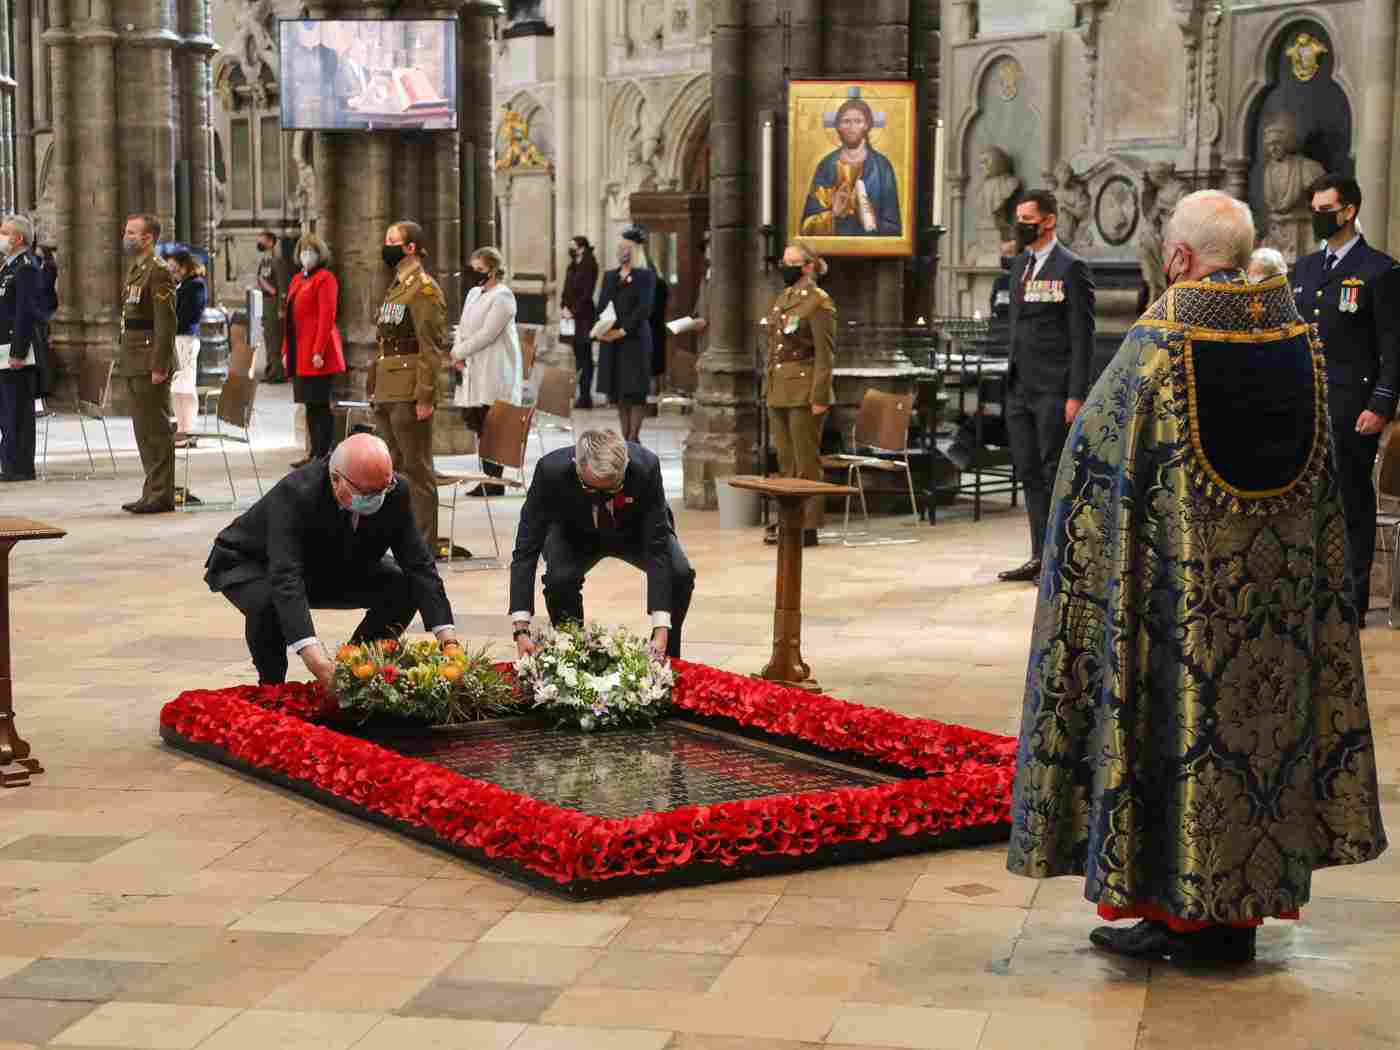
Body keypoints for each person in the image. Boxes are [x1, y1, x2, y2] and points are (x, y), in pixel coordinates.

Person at [1008, 189, 1388, 965]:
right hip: (1277, 607)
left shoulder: (1159, 342)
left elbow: (1093, 459)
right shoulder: (1297, 337)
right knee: (1258, 750)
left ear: (1178, 258)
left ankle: (1179, 914)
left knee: (1178, 737)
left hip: (1178, 601)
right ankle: (1235, 920)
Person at [204, 433, 459, 689]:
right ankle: (271, 688)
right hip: (250, 561)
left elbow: (418, 564)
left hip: (328, 561)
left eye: (383, 489)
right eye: (366, 492)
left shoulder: (395, 490)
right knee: (268, 600)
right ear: (336, 479)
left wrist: (449, 642)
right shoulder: (297, 493)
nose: (377, 498)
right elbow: (286, 576)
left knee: (405, 585)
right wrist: (316, 662)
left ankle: (355, 668)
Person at [1292, 173, 1400, 626]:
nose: (1318, 217)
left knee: (1351, 501)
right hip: (1305, 408)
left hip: (1353, 409)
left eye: (1325, 210)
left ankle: (1352, 599)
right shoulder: (1303, 270)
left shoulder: (1379, 270)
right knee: (1305, 503)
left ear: (1349, 211)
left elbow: (1393, 347)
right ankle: (1309, 592)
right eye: (1314, 210)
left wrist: (1380, 404)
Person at [509, 429, 695, 660]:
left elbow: (657, 548)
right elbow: (526, 549)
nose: (602, 495)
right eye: (590, 487)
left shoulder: (646, 467)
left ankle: (665, 655)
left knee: (679, 573)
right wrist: (521, 629)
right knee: (560, 580)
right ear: (577, 465)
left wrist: (661, 627)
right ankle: (571, 654)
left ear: (626, 465)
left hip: (633, 531)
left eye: (613, 488)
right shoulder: (550, 472)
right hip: (573, 532)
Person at [998, 189, 1096, 583]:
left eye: (1027, 219)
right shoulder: (1020, 264)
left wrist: (1076, 394)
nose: (1020, 225)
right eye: (1019, 219)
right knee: (1029, 472)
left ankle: (1060, 561)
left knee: (1055, 472)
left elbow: (1082, 337)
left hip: (1054, 390)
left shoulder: (1071, 267)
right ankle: (1039, 555)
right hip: (1019, 386)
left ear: (1049, 220)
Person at [371, 220, 451, 559]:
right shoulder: (397, 286)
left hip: (408, 391)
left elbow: (430, 348)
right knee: (392, 470)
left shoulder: (424, 289)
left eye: (392, 240)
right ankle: (401, 541)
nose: (386, 245)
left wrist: (425, 395)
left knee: (417, 471)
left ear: (410, 247)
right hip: (388, 388)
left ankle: (423, 547)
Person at [763, 243, 835, 548]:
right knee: (786, 460)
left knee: (806, 461)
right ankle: (789, 520)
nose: (785, 267)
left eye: (792, 262)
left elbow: (825, 355)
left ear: (808, 266)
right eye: (784, 261)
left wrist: (820, 395)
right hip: (779, 387)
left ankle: (809, 525)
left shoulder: (819, 302)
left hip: (805, 390)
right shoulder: (784, 298)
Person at [451, 246, 523, 498]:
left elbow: (488, 333)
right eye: (473, 268)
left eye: (479, 269)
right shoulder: (474, 293)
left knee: (493, 425)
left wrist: (459, 352)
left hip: (495, 368)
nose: (475, 273)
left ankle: (494, 480)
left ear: (492, 270)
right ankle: (486, 478)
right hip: (473, 366)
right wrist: (458, 351)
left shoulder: (503, 296)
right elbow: (463, 327)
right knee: (480, 424)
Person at [119, 213, 178, 514]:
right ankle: (152, 490)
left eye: (132, 232)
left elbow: (166, 323)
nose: (126, 236)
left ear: (148, 238)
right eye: (126, 231)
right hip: (135, 358)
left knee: (156, 429)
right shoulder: (137, 268)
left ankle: (161, 494)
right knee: (144, 430)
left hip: (149, 360)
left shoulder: (158, 271)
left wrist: (159, 365)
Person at [800, 95, 901, 237]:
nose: (851, 127)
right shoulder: (827, 165)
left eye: (858, 121)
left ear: (867, 125)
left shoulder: (882, 166)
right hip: (834, 246)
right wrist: (833, 213)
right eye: (846, 121)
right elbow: (806, 227)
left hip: (871, 247)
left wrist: (871, 220)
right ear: (838, 126)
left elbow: (894, 228)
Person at [283, 232, 345, 465]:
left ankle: (323, 454)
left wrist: (318, 350)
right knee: (309, 403)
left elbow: (326, 317)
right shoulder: (298, 279)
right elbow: (289, 320)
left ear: (320, 254)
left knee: (320, 403)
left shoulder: (325, 278)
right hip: (300, 349)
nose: (306, 255)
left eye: (310, 251)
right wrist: (285, 350)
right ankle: (313, 454)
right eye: (303, 250)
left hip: (318, 351)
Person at [596, 227, 657, 443]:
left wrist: (622, 331)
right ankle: (625, 439)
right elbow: (603, 305)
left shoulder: (645, 276)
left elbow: (644, 308)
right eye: (620, 248)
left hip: (634, 340)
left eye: (627, 248)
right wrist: (603, 329)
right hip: (612, 339)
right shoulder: (610, 276)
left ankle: (634, 438)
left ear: (635, 251)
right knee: (619, 393)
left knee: (635, 392)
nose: (622, 252)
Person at [0, 215, 44, 482]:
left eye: (4, 232)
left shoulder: (26, 268)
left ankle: (20, 467)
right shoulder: (10, 267)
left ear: (18, 238)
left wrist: (18, 352)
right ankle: (9, 463)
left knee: (17, 411)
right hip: (4, 350)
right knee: (7, 411)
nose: (1, 235)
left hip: (17, 353)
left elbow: (25, 313)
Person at [166, 249, 207, 450]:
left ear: (185, 266)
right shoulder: (182, 285)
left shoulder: (196, 285)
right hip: (177, 339)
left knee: (186, 386)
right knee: (177, 387)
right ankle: (182, 429)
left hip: (186, 339)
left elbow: (188, 314)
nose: (172, 272)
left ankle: (188, 430)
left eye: (175, 267)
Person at [561, 235, 598, 408]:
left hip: (584, 317)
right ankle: (580, 394)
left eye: (573, 246)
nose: (571, 249)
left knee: (585, 356)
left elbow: (586, 293)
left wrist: (573, 311)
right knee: (578, 356)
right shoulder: (572, 265)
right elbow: (566, 288)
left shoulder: (590, 265)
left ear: (582, 248)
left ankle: (585, 395)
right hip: (570, 316)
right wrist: (564, 307)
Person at [256, 231, 290, 383]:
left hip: (275, 303)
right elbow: (260, 280)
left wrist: (282, 308)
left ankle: (278, 373)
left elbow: (283, 286)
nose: (259, 242)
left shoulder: (277, 261)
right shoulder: (264, 262)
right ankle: (270, 371)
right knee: (269, 338)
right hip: (265, 303)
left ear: (270, 242)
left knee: (276, 340)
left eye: (262, 240)